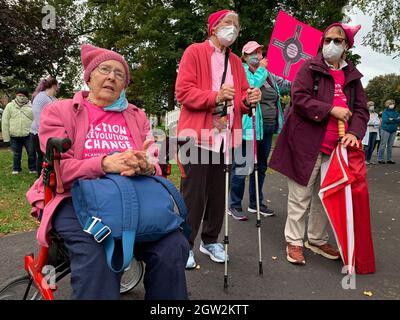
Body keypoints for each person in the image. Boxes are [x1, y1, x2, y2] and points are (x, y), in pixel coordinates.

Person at [26, 44, 189, 300]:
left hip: (132, 197)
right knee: (98, 256)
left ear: (124, 85)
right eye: (105, 69)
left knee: (173, 247)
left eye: (120, 74)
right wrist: (105, 164)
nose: (112, 77)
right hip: (75, 198)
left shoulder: (136, 115)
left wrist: (146, 164)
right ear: (89, 76)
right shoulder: (59, 111)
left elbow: (154, 160)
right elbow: (60, 170)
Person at [269, 23, 369, 265]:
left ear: (346, 46)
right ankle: (294, 241)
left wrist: (355, 132)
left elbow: (361, 110)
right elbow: (299, 98)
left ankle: (316, 239)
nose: (331, 45)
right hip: (306, 144)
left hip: (337, 150)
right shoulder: (309, 67)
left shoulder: (352, 77)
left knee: (326, 197)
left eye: (337, 40)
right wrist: (329, 109)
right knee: (300, 196)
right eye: (327, 40)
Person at [175, 9, 261, 269]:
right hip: (196, 136)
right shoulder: (194, 52)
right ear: (213, 27)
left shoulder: (236, 61)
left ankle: (210, 240)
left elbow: (242, 96)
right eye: (227, 23)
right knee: (193, 195)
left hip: (225, 138)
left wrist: (248, 100)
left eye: (236, 25)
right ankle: (184, 245)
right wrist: (215, 96)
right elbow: (183, 92)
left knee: (217, 193)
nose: (232, 28)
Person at [229, 41, 291, 221]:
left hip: (268, 128)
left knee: (261, 167)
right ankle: (234, 205)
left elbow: (286, 84)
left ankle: (256, 203)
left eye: (259, 51)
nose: (257, 54)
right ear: (244, 57)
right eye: (252, 53)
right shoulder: (242, 71)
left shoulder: (269, 75)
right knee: (242, 167)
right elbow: (250, 88)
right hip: (249, 128)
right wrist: (263, 70)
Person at [1, 88, 36, 175]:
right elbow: (5, 121)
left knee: (31, 153)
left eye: (23, 96)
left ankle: (32, 168)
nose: (21, 97)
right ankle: (16, 169)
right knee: (16, 154)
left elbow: (35, 119)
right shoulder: (10, 106)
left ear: (27, 97)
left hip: (29, 134)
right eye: (19, 95)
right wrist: (6, 137)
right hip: (14, 135)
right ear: (16, 95)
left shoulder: (32, 105)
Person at [30, 76, 59, 176]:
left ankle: (49, 175)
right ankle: (40, 178)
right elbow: (36, 114)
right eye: (58, 85)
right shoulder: (41, 97)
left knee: (49, 156)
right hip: (38, 132)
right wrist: (43, 132)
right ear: (54, 86)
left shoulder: (53, 98)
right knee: (42, 156)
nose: (58, 88)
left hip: (50, 132)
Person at [377, 99, 400, 164]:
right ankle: (380, 159)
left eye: (393, 103)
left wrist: (392, 119)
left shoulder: (396, 112)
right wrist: (395, 120)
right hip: (385, 130)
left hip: (393, 130)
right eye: (390, 104)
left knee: (390, 145)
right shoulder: (385, 112)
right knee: (383, 145)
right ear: (387, 105)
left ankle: (389, 159)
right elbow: (386, 120)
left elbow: (399, 120)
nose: (392, 105)